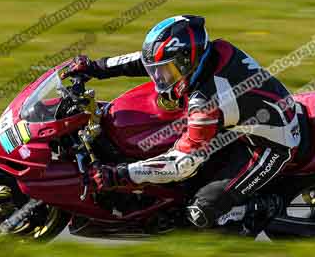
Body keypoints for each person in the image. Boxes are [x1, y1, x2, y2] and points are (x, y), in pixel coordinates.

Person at [65, 15, 302, 235]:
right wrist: (96, 67)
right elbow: (145, 60)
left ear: (187, 61)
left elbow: (181, 165)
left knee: (200, 213)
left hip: (271, 145)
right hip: (239, 127)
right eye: (158, 72)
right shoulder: (209, 52)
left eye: (165, 72)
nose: (159, 79)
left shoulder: (206, 102)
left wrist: (120, 174)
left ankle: (263, 207)